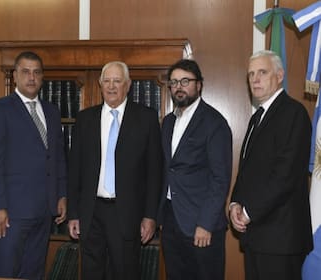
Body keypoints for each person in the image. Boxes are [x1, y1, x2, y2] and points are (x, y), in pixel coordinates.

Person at [67, 61, 163, 280]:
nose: (111, 86)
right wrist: (73, 213)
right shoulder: (85, 119)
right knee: (91, 273)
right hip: (91, 212)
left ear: (128, 85)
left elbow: (154, 173)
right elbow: (75, 171)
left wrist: (150, 216)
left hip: (127, 213)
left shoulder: (146, 118)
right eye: (107, 81)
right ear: (100, 85)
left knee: (125, 272)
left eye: (117, 81)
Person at [0, 51, 67, 280]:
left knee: (34, 271)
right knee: (7, 271)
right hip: (12, 213)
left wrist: (61, 195)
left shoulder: (51, 111)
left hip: (44, 209)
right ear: (15, 76)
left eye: (37, 72)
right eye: (26, 72)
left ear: (42, 77)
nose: (32, 77)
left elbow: (57, 158)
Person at [230, 50, 313, 280]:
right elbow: (246, 170)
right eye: (251, 74)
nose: (254, 79)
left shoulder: (294, 113)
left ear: (279, 75)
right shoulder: (257, 117)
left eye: (262, 73)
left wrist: (248, 211)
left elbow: (285, 176)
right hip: (256, 236)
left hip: (281, 238)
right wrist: (235, 202)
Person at [157, 59, 232, 280]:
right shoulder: (168, 123)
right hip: (171, 220)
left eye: (185, 81)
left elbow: (221, 179)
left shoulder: (214, 122)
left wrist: (205, 224)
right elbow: (167, 170)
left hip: (201, 224)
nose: (179, 87)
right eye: (174, 82)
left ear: (199, 85)